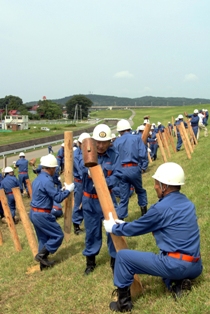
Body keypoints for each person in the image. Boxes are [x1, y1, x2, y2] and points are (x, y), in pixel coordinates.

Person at [103, 162, 202, 312]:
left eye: (157, 183)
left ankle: (123, 303)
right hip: (196, 266)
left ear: (164, 186)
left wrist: (115, 228)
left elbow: (137, 228)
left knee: (123, 257)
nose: (155, 187)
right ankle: (178, 286)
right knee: (165, 258)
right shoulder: (188, 203)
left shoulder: (160, 208)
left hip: (176, 265)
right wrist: (124, 224)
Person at [79, 124, 122, 275]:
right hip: (90, 200)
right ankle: (90, 262)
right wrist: (88, 169)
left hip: (106, 197)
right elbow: (79, 167)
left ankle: (115, 260)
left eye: (105, 142)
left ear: (110, 141)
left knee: (112, 229)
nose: (101, 145)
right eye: (98, 142)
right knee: (91, 231)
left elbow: (118, 174)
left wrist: (103, 182)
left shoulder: (114, 155)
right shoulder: (87, 151)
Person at [29, 154, 74, 270]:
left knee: (43, 238)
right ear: (50, 168)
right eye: (54, 168)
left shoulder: (38, 179)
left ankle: (43, 265)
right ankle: (41, 255)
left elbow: (50, 193)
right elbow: (58, 198)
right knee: (57, 235)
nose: (55, 170)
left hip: (34, 212)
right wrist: (68, 190)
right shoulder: (47, 181)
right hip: (42, 214)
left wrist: (61, 190)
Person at [113, 119, 148, 218]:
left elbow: (114, 158)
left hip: (121, 170)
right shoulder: (137, 138)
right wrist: (143, 167)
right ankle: (144, 214)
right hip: (134, 167)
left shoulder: (116, 142)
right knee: (140, 191)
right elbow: (142, 154)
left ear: (119, 131)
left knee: (124, 197)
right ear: (129, 128)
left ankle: (121, 219)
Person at [72, 132, 90, 235]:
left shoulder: (87, 152)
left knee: (89, 202)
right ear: (79, 143)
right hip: (80, 182)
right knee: (78, 204)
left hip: (87, 180)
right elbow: (80, 171)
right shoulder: (76, 155)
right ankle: (76, 225)